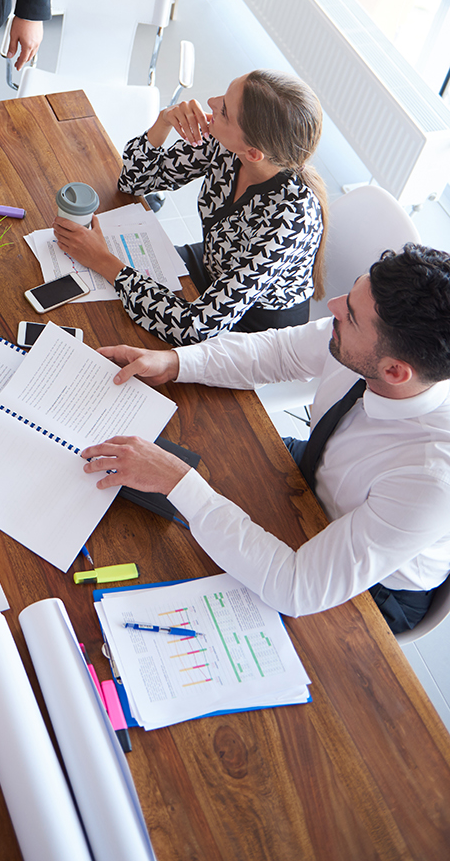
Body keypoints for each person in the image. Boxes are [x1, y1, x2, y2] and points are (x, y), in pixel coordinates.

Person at [81, 245, 450, 633]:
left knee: (165, 559)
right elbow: (280, 351)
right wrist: (175, 362)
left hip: (369, 588)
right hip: (311, 472)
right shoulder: (367, 342)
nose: (333, 306)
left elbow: (296, 587)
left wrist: (176, 481)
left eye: (351, 316)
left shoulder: (431, 479)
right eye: (353, 291)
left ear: (394, 373)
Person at [54, 70, 327, 343]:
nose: (211, 102)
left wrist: (103, 261)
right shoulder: (227, 145)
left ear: (253, 153)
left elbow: (195, 328)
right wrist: (164, 121)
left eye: (224, 111)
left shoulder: (291, 221)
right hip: (212, 264)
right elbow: (134, 182)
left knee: (110, 328)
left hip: (252, 325)